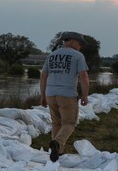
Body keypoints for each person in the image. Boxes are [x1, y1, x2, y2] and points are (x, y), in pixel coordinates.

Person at [39, 31, 90, 163]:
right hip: (67, 94)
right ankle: (57, 142)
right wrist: (85, 95)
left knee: (56, 122)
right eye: (80, 43)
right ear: (71, 41)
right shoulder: (78, 56)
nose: (81, 47)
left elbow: (43, 76)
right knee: (69, 123)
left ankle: (57, 153)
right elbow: (83, 77)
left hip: (51, 94)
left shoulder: (52, 55)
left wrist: (43, 96)